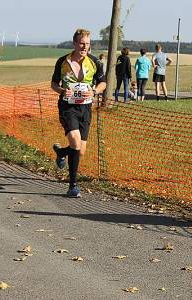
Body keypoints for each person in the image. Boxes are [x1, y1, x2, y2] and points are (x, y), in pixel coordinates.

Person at [51, 29, 106, 198]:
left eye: (87, 44)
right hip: (67, 108)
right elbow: (53, 84)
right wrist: (62, 91)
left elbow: (103, 83)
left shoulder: (95, 62)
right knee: (75, 142)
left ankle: (61, 153)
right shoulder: (63, 61)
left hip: (85, 109)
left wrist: (95, 92)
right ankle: (73, 186)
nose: (85, 47)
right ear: (74, 43)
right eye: (82, 43)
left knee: (80, 151)